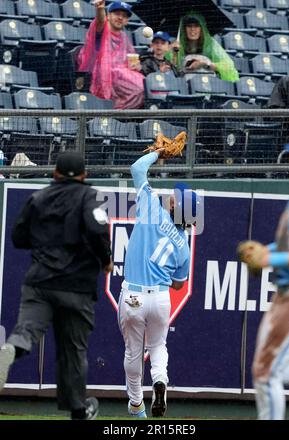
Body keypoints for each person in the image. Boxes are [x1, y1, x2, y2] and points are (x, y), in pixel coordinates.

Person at [0, 151, 113, 420]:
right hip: (76, 286)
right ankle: (78, 410)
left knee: (26, 331)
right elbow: (98, 230)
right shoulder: (89, 196)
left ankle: (11, 349)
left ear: (55, 173)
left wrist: (45, 244)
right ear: (85, 175)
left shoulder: (37, 198)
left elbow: (18, 236)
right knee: (73, 350)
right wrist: (105, 260)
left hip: (40, 281)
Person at [118, 149, 201, 418]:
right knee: (158, 347)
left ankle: (136, 405)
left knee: (133, 352)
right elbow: (179, 284)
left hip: (133, 295)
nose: (173, 196)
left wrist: (158, 152)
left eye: (177, 197)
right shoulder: (184, 247)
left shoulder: (152, 207)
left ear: (176, 207)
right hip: (161, 299)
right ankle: (160, 380)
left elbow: (136, 167)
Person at [239, 134, 289, 420]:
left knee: (266, 373)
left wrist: (269, 258)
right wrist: (269, 250)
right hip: (286, 293)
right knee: (264, 370)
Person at [77, 0, 144, 109]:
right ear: (108, 16)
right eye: (117, 14)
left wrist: (137, 66)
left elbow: (132, 59)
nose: (120, 18)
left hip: (121, 77)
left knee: (146, 85)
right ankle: (115, 114)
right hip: (101, 75)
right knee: (139, 88)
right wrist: (100, 9)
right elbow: (99, 22)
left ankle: (118, 114)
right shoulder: (102, 30)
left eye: (124, 16)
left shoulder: (124, 37)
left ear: (127, 21)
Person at [169, 14, 239, 82]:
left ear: (202, 28)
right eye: (189, 26)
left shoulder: (212, 45)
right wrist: (174, 54)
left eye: (196, 26)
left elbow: (228, 66)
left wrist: (204, 64)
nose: (192, 29)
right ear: (184, 29)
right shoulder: (175, 45)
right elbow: (170, 72)